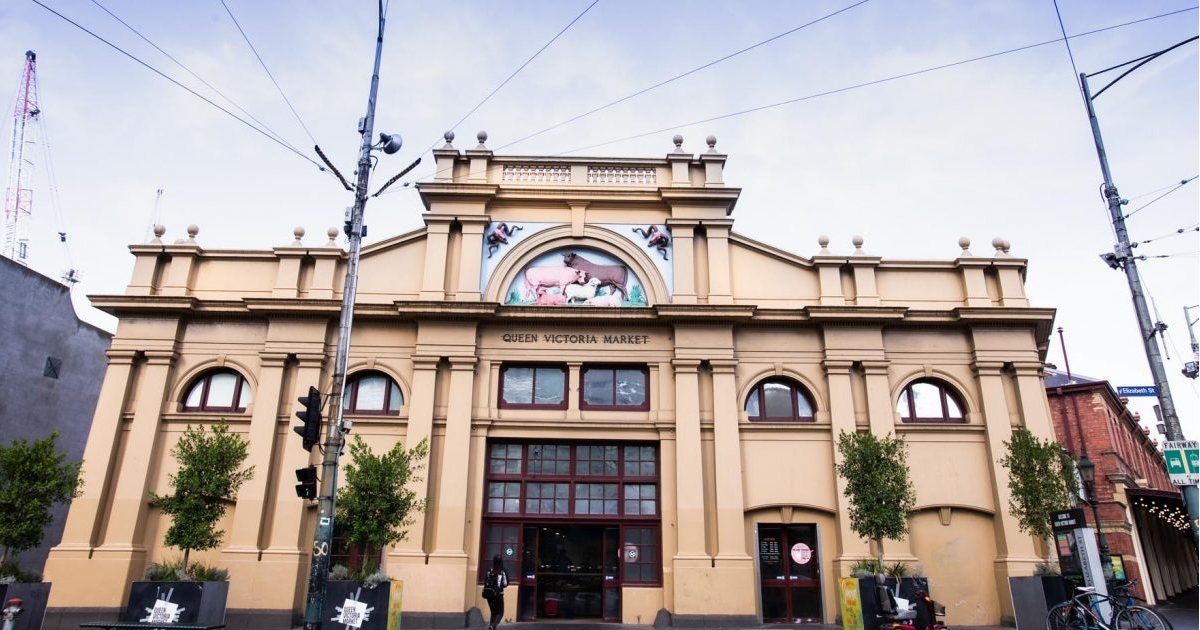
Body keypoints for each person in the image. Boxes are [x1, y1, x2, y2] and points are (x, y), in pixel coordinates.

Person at [485, 554, 509, 630]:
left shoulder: (489, 570)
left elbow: (486, 581)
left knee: (493, 612)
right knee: (500, 612)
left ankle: (491, 626)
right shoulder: (502, 571)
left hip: (489, 594)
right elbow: (505, 583)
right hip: (498, 594)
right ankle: (493, 626)